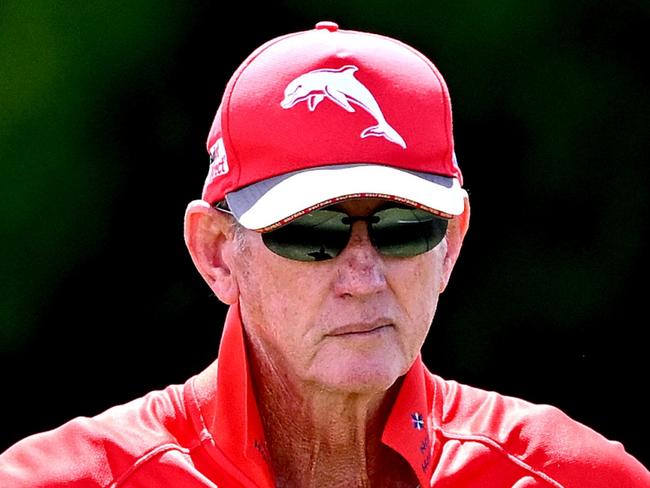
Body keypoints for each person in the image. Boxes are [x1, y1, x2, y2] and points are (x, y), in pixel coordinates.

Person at [1, 20, 648, 488]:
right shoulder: (65, 481)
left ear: (451, 244)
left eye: (402, 228)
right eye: (310, 231)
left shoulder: (579, 476)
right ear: (217, 255)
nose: (363, 276)